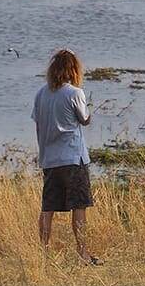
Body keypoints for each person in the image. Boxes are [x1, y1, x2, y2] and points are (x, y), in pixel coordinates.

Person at [31, 48, 99, 263]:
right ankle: (82, 253)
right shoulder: (74, 93)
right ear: (73, 70)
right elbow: (84, 119)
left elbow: (39, 126)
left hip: (50, 159)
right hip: (72, 157)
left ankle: (45, 254)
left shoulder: (41, 93)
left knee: (48, 207)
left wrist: (43, 151)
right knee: (79, 206)